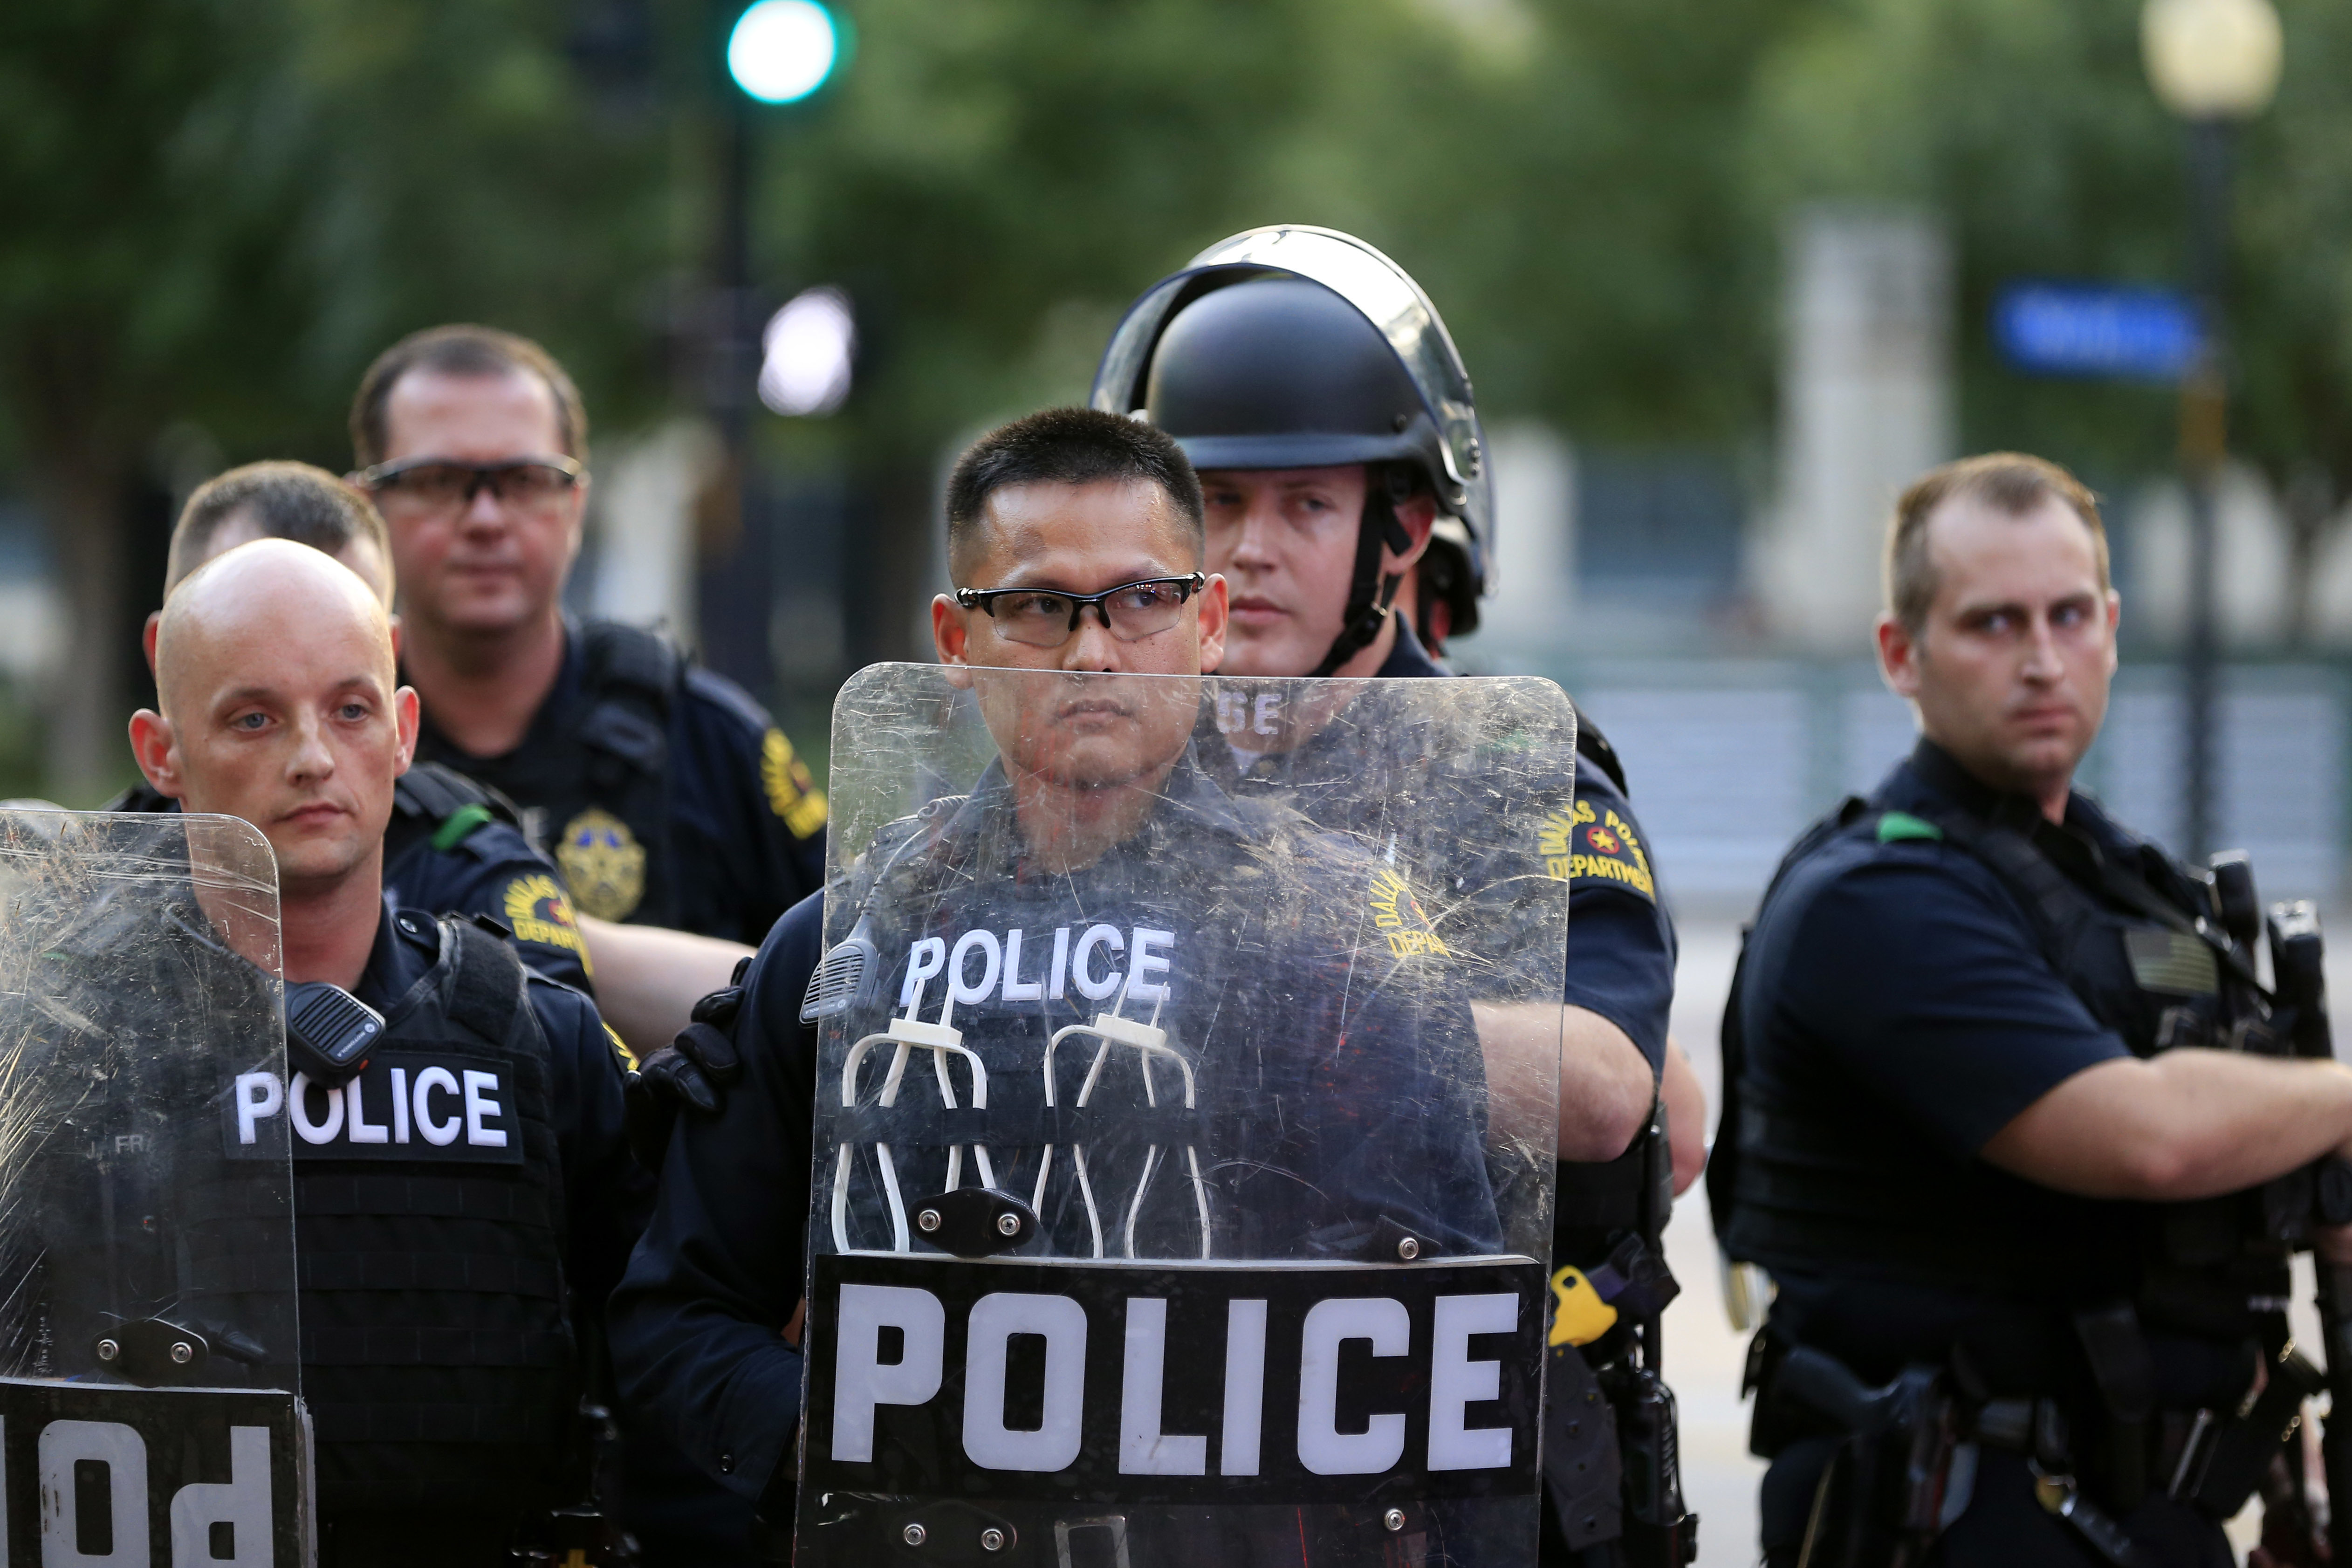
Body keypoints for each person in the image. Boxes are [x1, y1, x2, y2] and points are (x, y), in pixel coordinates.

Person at [608, 408, 1530, 1560]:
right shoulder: (849, 941)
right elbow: (674, 1318)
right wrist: (854, 1433)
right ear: (956, 637)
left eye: (1143, 599)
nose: (1094, 652)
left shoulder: (1339, 946)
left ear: (1209, 620)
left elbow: (1456, 1361)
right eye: (1039, 605)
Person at [1090, 225, 1696, 1563]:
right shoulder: (1095, 757)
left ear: (1397, 532)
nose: (1246, 553)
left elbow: (1603, 1086)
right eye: (1213, 503)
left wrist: (1262, 1000)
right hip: (1147, 1437)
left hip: (1438, 1452)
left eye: (1303, 504)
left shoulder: (1514, 771)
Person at [1715, 452, 2352, 1567]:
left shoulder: (2125, 883)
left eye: (2068, 616)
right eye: (1993, 623)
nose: (2043, 659)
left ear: (2112, 626)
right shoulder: (1875, 898)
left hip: (2147, 1512)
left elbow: (2190, 1234)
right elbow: (2149, 1136)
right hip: (1959, 1516)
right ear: (1900, 655)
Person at [127, 538, 647, 1566]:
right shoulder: (71, 1053)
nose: (314, 755)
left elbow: (674, 1347)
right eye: (254, 716)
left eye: (351, 708)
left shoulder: (542, 1038)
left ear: (404, 730)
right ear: (162, 751)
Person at [346, 323, 823, 948]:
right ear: (366, 508)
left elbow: (846, 978)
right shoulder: (322, 748)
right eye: (438, 481)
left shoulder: (709, 744)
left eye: (524, 480)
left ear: (574, 505)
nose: (486, 518)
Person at [108, 459, 595, 991]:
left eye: (342, 606)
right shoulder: (95, 876)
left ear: (389, 648)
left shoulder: (466, 860)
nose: (313, 759)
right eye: (254, 717)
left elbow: (547, 1036)